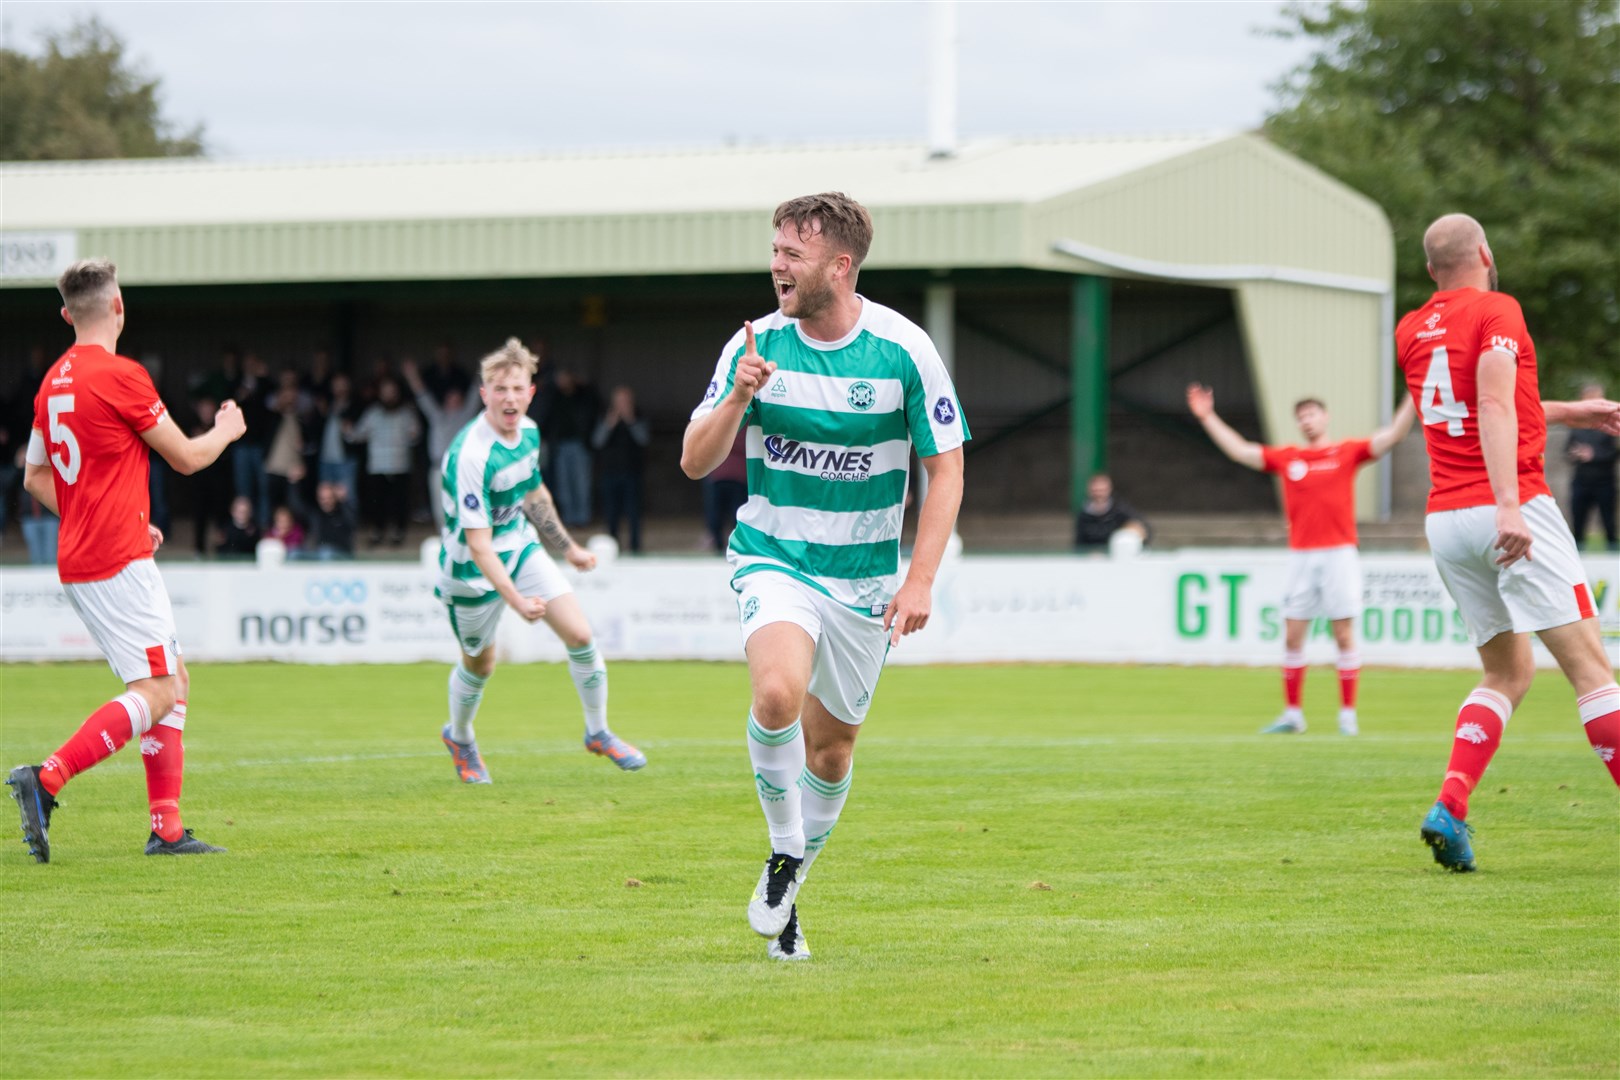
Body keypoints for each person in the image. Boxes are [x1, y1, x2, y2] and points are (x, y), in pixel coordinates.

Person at [681, 192, 969, 961]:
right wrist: (740, 394)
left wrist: (921, 579)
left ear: (839, 266)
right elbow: (694, 460)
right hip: (774, 555)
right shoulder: (754, 346)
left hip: (866, 581)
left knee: (832, 751)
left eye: (792, 253)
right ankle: (784, 855)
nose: (776, 264)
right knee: (776, 693)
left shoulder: (904, 350)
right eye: (775, 249)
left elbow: (947, 469)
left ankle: (793, 887)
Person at [1396, 213, 1620, 872]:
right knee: (1592, 671)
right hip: (1508, 505)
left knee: (1507, 671)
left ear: (1430, 269)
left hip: (1446, 519)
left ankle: (1451, 805)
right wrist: (1509, 506)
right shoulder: (1498, 309)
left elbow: (1481, 401)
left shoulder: (1411, 328)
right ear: (1486, 253)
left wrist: (1571, 412)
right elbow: (1492, 407)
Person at [7, 258, 247, 863]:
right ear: (118, 307)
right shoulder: (122, 375)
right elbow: (189, 458)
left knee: (173, 680)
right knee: (159, 689)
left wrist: (101, 513)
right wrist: (226, 429)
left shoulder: (51, 381)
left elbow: (35, 475)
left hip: (87, 553)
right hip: (117, 560)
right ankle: (47, 778)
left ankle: (166, 828)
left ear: (67, 316)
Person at [433, 337, 646, 786]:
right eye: (500, 389)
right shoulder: (472, 455)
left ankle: (598, 732)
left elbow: (534, 494)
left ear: (531, 392)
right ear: (484, 393)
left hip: (520, 547)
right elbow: (478, 546)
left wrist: (567, 548)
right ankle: (460, 735)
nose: (509, 398)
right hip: (472, 573)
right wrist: (514, 600)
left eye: (518, 389)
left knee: (581, 634)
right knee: (480, 664)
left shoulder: (528, 431)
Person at [1189, 384, 1416, 736]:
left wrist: (1412, 397)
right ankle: (1293, 714)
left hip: (1339, 553)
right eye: (1301, 417)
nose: (1307, 421)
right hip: (1301, 556)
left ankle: (1347, 716)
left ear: (1325, 417)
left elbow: (1393, 435)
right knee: (1293, 636)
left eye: (1311, 414)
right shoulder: (1290, 458)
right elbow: (1240, 451)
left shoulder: (1346, 452)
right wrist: (1207, 416)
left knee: (1343, 634)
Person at [402, 358, 480, 530]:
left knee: (464, 507)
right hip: (438, 467)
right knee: (440, 508)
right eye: (450, 397)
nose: (453, 400)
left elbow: (475, 392)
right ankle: (445, 540)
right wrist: (411, 375)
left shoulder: (465, 415)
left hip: (461, 467)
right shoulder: (437, 416)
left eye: (457, 397)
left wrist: (484, 368)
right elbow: (422, 395)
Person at [347, 375, 420, 546]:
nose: (389, 395)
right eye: (386, 392)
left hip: (400, 465)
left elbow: (415, 437)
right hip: (377, 466)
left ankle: (398, 533)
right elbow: (359, 435)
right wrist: (348, 431)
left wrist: (414, 434)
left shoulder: (406, 413)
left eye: (392, 392)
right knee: (377, 503)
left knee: (399, 503)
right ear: (380, 394)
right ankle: (377, 533)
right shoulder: (372, 413)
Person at [592, 384, 650, 553]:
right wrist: (609, 424)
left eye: (625, 401)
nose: (622, 404)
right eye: (619, 401)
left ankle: (635, 547)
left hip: (632, 472)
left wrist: (631, 420)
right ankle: (612, 546)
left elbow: (643, 439)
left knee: (633, 512)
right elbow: (597, 441)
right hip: (610, 471)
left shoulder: (638, 416)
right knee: (611, 512)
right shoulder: (605, 416)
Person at [542, 369, 600, 526]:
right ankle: (568, 518)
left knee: (581, 483)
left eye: (566, 378)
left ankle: (583, 519)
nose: (563, 381)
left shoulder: (583, 395)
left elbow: (596, 403)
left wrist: (584, 385)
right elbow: (544, 413)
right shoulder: (554, 396)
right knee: (564, 485)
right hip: (560, 445)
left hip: (580, 444)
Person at [1565, 382, 1618, 551]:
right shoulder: (1576, 426)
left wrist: (1593, 455)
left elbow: (1614, 453)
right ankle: (1577, 557)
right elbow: (1566, 450)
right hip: (1581, 481)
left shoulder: (1609, 424)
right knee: (1578, 522)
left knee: (1608, 522)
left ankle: (1613, 561)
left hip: (1604, 481)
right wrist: (1574, 454)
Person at [1074, 473, 1150, 551]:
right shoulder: (1083, 514)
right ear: (1089, 490)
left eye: (1102, 490)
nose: (1099, 494)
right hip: (1092, 558)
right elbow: (1079, 542)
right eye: (1096, 490)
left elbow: (1144, 529)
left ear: (1109, 489)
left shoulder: (1121, 510)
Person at [702, 428, 748, 553]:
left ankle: (719, 544)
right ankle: (728, 543)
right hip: (735, 475)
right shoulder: (746, 428)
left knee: (720, 512)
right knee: (733, 512)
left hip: (722, 474)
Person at [302, 480, 356, 559]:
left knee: (326, 552)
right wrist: (294, 484)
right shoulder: (315, 514)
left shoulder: (342, 512)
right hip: (319, 553)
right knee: (295, 554)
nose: (326, 501)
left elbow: (353, 522)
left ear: (335, 498)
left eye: (329, 498)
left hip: (341, 553)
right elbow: (297, 505)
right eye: (322, 498)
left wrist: (344, 502)